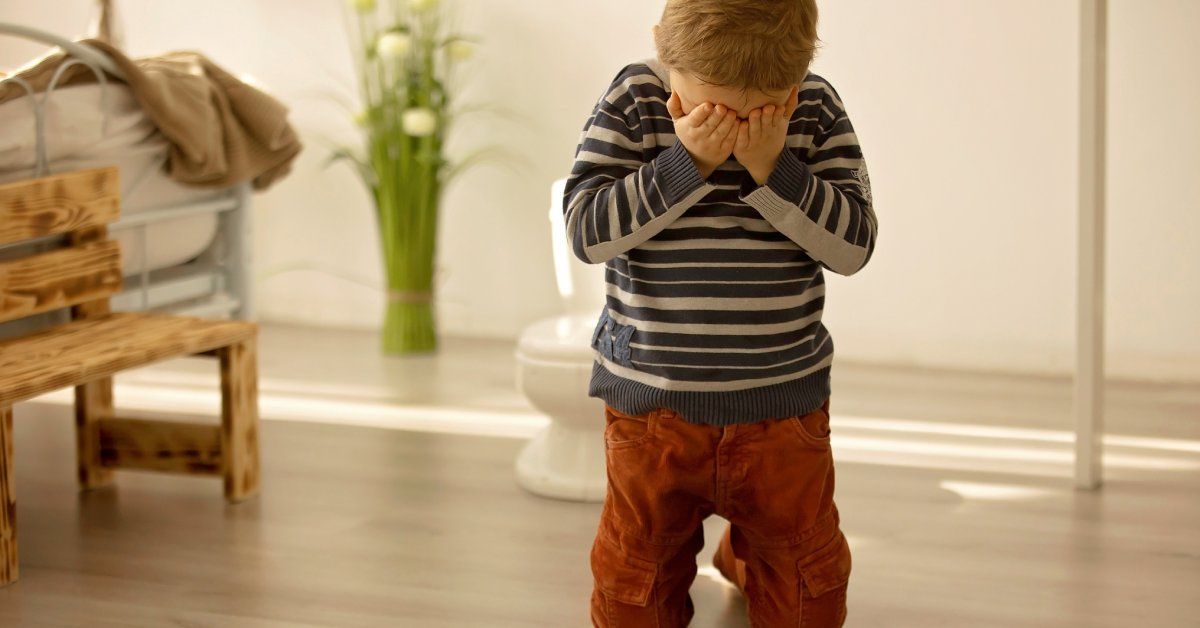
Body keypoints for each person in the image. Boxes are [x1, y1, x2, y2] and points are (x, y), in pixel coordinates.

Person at [563, 0, 878, 625]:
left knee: (803, 589)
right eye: (709, 107)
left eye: (756, 111)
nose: (730, 127)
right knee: (636, 581)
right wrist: (687, 165)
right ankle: (742, 547)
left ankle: (748, 552)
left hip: (780, 408)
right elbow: (586, 232)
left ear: (794, 84)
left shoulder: (815, 108)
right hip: (652, 407)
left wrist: (774, 169)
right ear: (665, 54)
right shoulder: (634, 98)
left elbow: (853, 248)